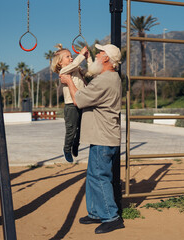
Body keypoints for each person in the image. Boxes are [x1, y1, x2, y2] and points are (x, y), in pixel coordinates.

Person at [60, 43, 124, 234]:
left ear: (107, 59)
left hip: (103, 137)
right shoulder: (109, 78)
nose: (97, 55)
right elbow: (91, 84)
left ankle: (111, 217)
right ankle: (96, 212)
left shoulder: (104, 80)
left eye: (100, 52)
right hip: (102, 136)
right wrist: (86, 58)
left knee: (99, 177)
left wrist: (70, 82)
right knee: (93, 176)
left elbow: (79, 100)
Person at [51, 44, 92, 162]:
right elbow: (75, 64)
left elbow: (90, 72)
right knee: (71, 129)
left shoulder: (76, 69)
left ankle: (76, 144)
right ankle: (67, 148)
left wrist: (88, 58)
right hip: (70, 105)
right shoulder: (64, 71)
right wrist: (82, 55)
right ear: (60, 63)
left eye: (71, 56)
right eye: (67, 56)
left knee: (82, 128)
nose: (71, 58)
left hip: (82, 102)